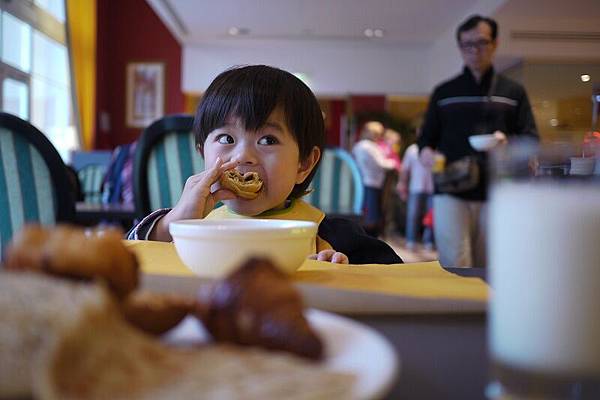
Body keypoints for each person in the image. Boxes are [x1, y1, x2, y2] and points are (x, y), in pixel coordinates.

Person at [128, 65, 402, 265]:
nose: (243, 156)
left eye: (268, 140)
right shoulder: (190, 229)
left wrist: (341, 272)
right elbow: (130, 262)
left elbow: (391, 281)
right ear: (203, 154)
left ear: (304, 164)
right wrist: (172, 223)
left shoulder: (331, 234)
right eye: (226, 138)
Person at [417, 15, 538, 267]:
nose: (474, 50)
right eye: (467, 44)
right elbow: (426, 140)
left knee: (490, 263)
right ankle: (457, 307)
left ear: (495, 43)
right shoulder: (444, 92)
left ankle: (485, 308)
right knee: (455, 262)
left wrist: (508, 143)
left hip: (498, 189)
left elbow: (530, 138)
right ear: (460, 47)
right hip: (451, 187)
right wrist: (426, 153)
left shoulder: (512, 92)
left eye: (481, 42)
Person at [352, 121, 397, 237]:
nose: (378, 136)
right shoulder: (369, 146)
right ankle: (370, 238)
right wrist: (393, 163)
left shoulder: (359, 145)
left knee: (366, 211)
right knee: (372, 214)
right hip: (371, 182)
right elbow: (381, 163)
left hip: (364, 181)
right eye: (376, 133)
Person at [398, 138, 434, 251]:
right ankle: (411, 241)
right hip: (415, 186)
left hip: (433, 188)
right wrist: (402, 184)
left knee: (432, 217)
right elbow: (405, 169)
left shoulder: (436, 148)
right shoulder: (412, 149)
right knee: (413, 215)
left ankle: (428, 241)